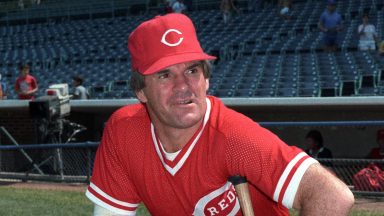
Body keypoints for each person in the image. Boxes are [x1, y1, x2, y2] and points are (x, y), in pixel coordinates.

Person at [86, 13, 354, 215]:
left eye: (192, 70)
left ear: (206, 80)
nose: (183, 86)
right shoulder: (125, 132)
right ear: (140, 91)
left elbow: (332, 195)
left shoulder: (234, 136)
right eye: (165, 75)